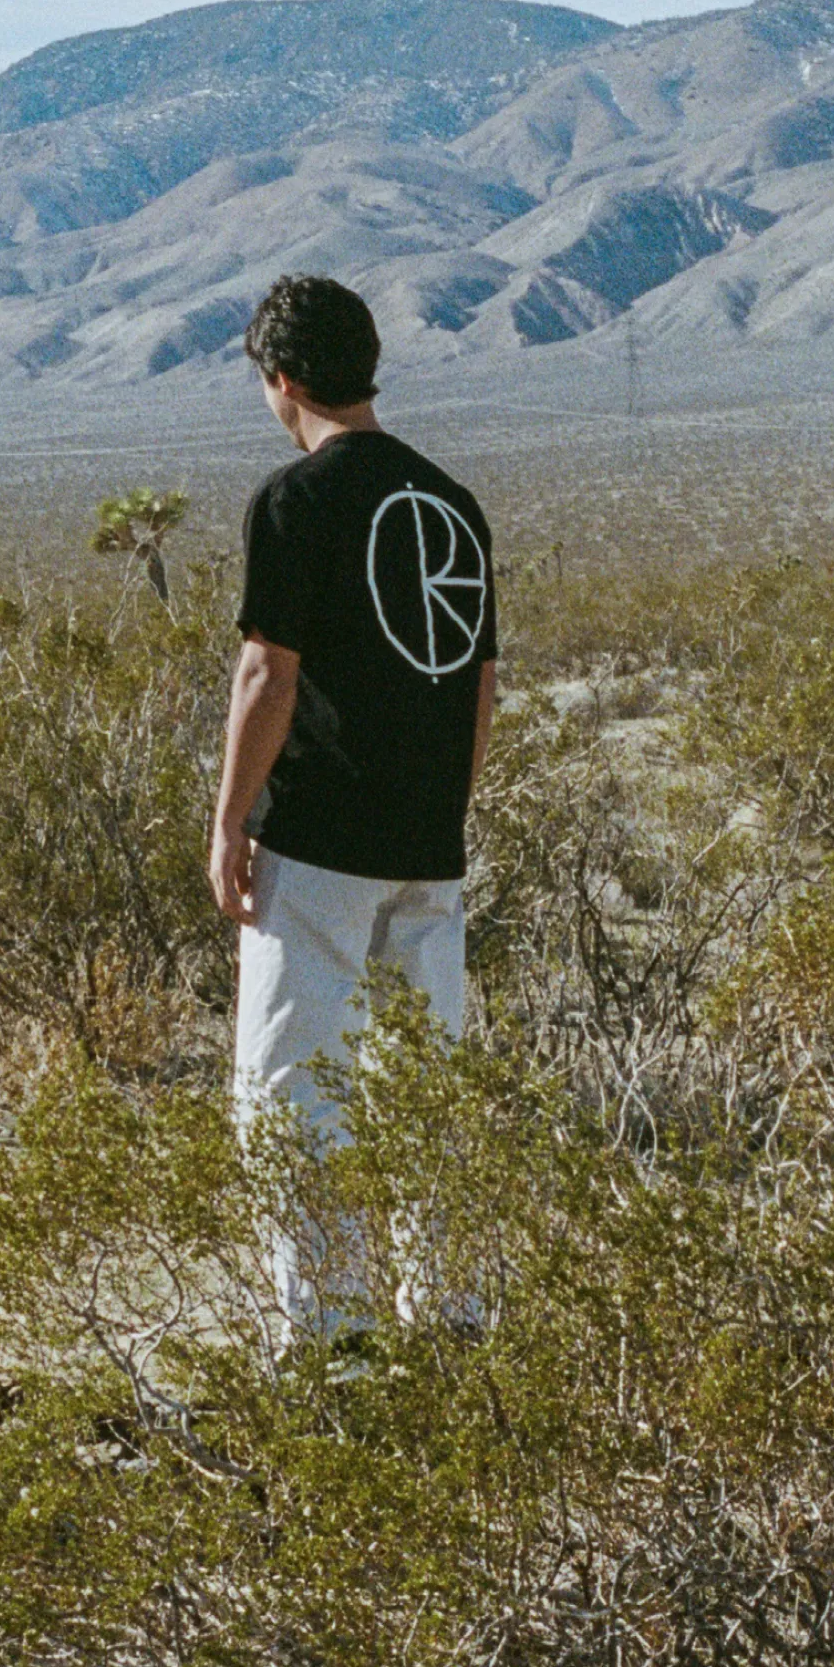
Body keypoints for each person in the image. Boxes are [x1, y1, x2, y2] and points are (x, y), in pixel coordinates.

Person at [209, 273, 498, 1328]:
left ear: (283, 379)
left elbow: (265, 678)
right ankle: (454, 1318)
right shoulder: (452, 506)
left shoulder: (293, 503)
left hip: (320, 848)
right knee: (427, 1089)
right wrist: (442, 810)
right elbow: (478, 682)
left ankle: (331, 1344)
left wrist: (229, 820)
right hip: (430, 847)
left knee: (294, 1095)